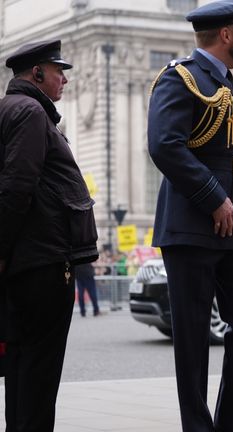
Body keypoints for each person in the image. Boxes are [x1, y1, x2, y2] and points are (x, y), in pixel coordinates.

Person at [146, 1, 233, 430]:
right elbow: (164, 145)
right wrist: (214, 197)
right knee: (193, 339)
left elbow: (229, 149)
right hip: (192, 222)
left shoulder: (227, 83)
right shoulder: (180, 78)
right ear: (228, 34)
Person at [0, 39, 98, 431]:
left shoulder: (15, 109)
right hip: (43, 261)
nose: (65, 81)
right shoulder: (29, 112)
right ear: (37, 73)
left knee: (23, 368)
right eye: (59, 72)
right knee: (39, 371)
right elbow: (17, 186)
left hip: (30, 257)